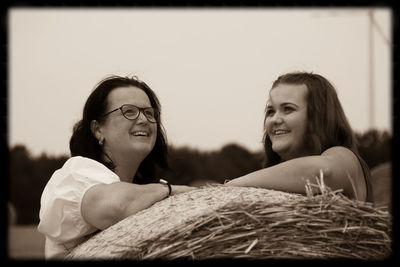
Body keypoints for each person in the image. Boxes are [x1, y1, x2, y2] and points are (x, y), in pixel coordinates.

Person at [37, 75, 195, 259]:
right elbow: (114, 207)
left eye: (149, 113)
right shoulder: (77, 174)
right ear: (98, 130)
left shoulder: (141, 192)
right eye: (129, 111)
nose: (143, 119)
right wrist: (169, 189)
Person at [225, 72, 373, 202]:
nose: (274, 119)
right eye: (271, 111)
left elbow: (324, 173)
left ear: (318, 117)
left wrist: (229, 188)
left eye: (288, 109)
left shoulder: (344, 158)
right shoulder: (275, 181)